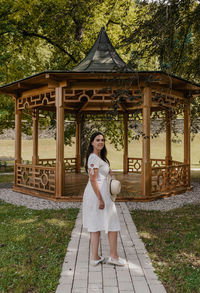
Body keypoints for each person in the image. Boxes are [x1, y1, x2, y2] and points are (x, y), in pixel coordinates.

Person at [82, 132, 126, 266]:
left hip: (97, 193)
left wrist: (108, 171)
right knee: (112, 224)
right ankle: (113, 256)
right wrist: (100, 199)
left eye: (102, 140)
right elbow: (93, 179)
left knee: (95, 225)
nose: (100, 142)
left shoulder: (98, 157)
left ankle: (95, 257)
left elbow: (99, 174)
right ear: (92, 143)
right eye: (97, 140)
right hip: (98, 194)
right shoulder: (94, 158)